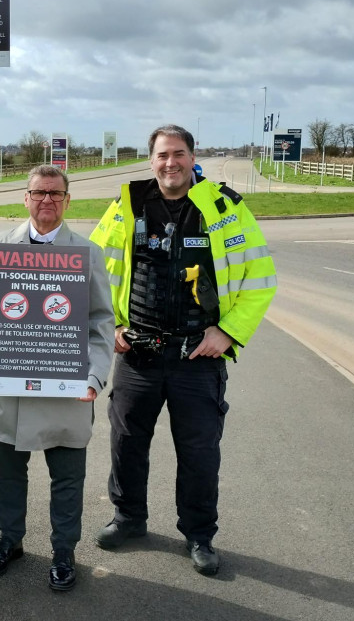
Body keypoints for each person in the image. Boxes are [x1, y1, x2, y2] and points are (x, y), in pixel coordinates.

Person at [89, 125, 276, 575]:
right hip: (137, 354)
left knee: (199, 454)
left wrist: (227, 332)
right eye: (161, 155)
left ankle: (199, 535)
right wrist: (110, 323)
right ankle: (129, 518)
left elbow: (260, 278)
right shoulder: (126, 206)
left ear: (193, 157)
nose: (170, 163)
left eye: (178, 154)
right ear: (150, 160)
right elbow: (92, 270)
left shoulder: (225, 208)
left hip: (198, 358)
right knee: (127, 444)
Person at [0, 165, 114, 592]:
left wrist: (94, 378)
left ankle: (64, 552)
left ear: (67, 200)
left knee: (67, 479)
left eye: (55, 194)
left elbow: (102, 324)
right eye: (39, 193)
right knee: (8, 476)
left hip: (66, 393)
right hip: (10, 390)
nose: (46, 201)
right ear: (26, 197)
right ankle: (10, 541)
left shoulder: (86, 254)